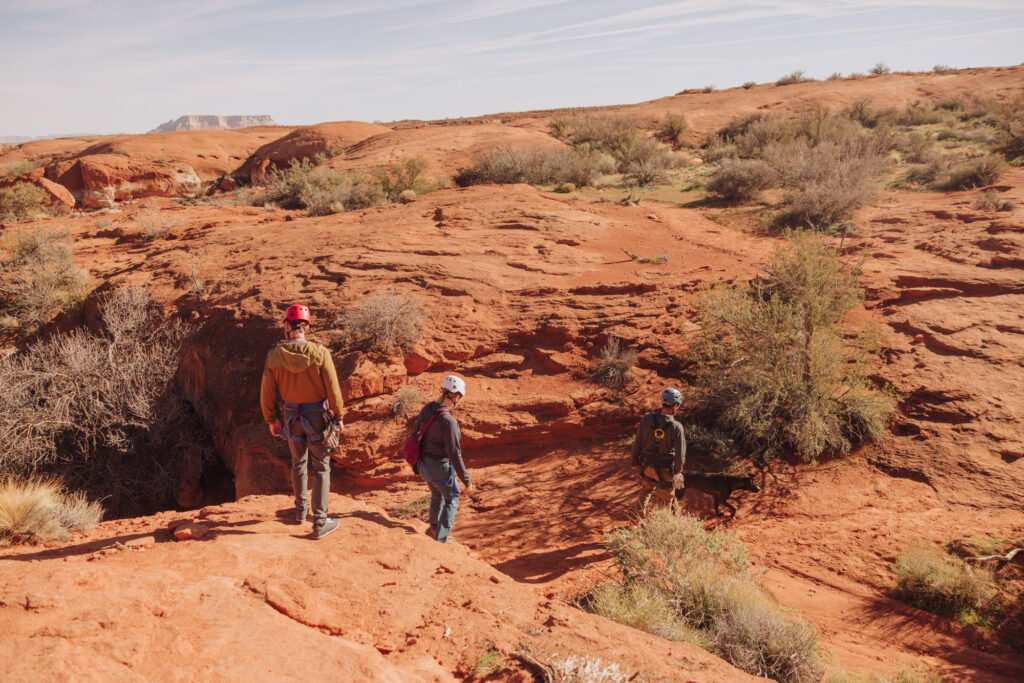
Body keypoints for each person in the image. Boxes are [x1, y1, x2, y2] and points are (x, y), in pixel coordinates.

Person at [260, 304, 345, 539]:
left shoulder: (275, 356)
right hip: (317, 415)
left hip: (290, 416)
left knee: (298, 462)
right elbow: (333, 389)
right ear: (305, 328)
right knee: (321, 467)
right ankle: (319, 522)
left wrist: (271, 419)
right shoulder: (320, 353)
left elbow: (267, 392)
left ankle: (300, 511)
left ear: (287, 326)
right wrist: (338, 417)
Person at [416, 375, 472, 543]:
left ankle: (433, 529)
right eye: (459, 397)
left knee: (436, 494)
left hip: (423, 463)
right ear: (455, 397)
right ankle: (441, 539)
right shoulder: (450, 422)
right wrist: (466, 481)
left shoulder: (428, 408)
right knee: (452, 497)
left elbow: (417, 431)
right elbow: (455, 454)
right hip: (439, 466)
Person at [631, 388, 686, 516]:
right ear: (675, 405)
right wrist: (677, 471)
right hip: (664, 470)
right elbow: (680, 456)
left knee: (646, 489)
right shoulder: (676, 427)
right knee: (666, 498)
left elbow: (637, 441)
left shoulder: (647, 418)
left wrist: (634, 460)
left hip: (647, 466)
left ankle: (637, 520)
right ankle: (660, 525)